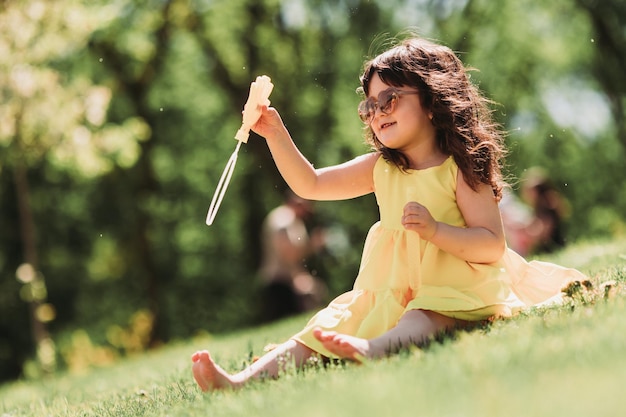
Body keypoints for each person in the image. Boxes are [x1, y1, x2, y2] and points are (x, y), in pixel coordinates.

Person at [191, 35, 586, 391]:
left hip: (453, 288)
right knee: (322, 326)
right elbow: (310, 184)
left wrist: (435, 230)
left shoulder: (462, 166)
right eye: (369, 106)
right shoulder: (380, 167)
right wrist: (276, 133)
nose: (378, 112)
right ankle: (239, 382)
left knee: (424, 318)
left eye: (390, 99)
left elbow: (490, 245)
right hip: (390, 289)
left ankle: (372, 347)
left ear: (433, 102)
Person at [258, 190, 327, 322]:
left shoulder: (290, 219)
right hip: (281, 281)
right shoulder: (284, 219)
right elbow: (287, 251)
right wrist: (313, 245)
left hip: (285, 280)